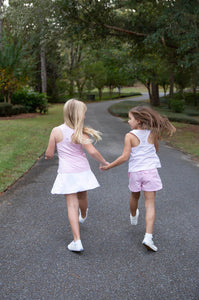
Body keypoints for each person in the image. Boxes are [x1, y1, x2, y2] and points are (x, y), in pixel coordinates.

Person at [101, 106, 176, 252]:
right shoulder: (152, 133)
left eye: (130, 119)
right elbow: (156, 149)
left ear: (138, 121)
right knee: (150, 203)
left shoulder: (129, 136)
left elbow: (124, 157)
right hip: (150, 172)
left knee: (134, 196)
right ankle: (148, 236)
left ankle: (134, 215)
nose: (128, 121)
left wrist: (109, 166)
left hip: (136, 172)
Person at [45, 99, 108, 252]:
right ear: (78, 115)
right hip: (82, 171)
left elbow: (49, 154)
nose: (85, 117)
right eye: (84, 114)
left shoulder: (56, 131)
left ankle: (77, 241)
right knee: (82, 197)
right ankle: (84, 214)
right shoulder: (81, 132)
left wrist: (48, 156)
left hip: (67, 172)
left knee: (71, 205)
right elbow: (92, 151)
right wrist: (103, 162)